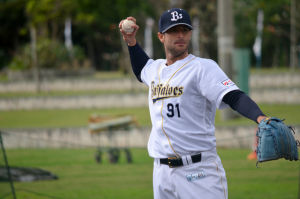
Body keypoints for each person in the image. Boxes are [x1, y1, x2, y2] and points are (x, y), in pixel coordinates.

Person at [119, 8, 266, 199]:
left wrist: (260, 117)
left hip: (199, 171)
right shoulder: (155, 69)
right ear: (161, 36)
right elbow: (141, 69)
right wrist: (131, 42)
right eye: (173, 30)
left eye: (185, 29)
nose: (180, 35)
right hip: (161, 172)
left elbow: (234, 96)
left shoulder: (202, 68)